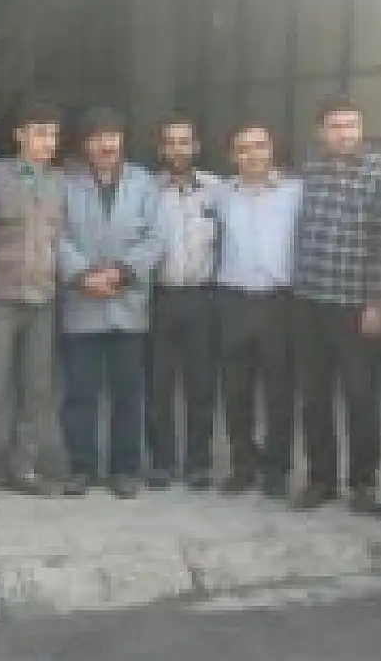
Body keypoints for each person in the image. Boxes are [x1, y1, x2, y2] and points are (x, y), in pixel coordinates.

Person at [292, 96, 381, 511]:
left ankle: (363, 481)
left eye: (352, 125)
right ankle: (321, 479)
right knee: (314, 396)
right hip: (310, 301)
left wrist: (377, 302)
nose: (344, 133)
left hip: (356, 304)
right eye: (336, 126)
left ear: (361, 129)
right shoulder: (310, 170)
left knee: (360, 395)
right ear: (321, 132)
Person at [58, 107, 162, 498]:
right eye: (97, 137)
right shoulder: (67, 183)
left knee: (127, 394)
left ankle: (124, 469)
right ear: (85, 144)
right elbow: (57, 235)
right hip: (82, 301)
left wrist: (121, 273)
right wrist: (82, 275)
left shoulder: (144, 183)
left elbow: (155, 238)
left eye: (112, 136)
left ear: (122, 140)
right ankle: (81, 467)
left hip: (127, 302)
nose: (106, 144)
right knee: (80, 393)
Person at [0, 100, 67, 494]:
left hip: (42, 297)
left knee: (35, 388)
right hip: (0, 296)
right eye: (39, 133)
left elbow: (62, 238)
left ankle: (24, 467)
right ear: (19, 135)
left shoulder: (60, 182)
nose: (47, 142)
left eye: (53, 135)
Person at [215, 121, 301, 499]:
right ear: (232, 156)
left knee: (279, 390)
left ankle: (277, 468)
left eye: (260, 146)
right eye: (243, 148)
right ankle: (243, 464)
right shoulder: (219, 194)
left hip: (279, 302)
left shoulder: (296, 192)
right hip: (233, 300)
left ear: (272, 149)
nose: (252, 154)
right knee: (236, 390)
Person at [146, 113, 221, 489]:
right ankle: (161, 462)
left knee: (201, 384)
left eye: (184, 141)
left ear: (196, 146)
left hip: (203, 298)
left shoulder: (217, 191)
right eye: (170, 142)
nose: (177, 149)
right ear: (161, 149)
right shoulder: (146, 191)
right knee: (158, 385)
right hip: (159, 298)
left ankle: (198, 462)